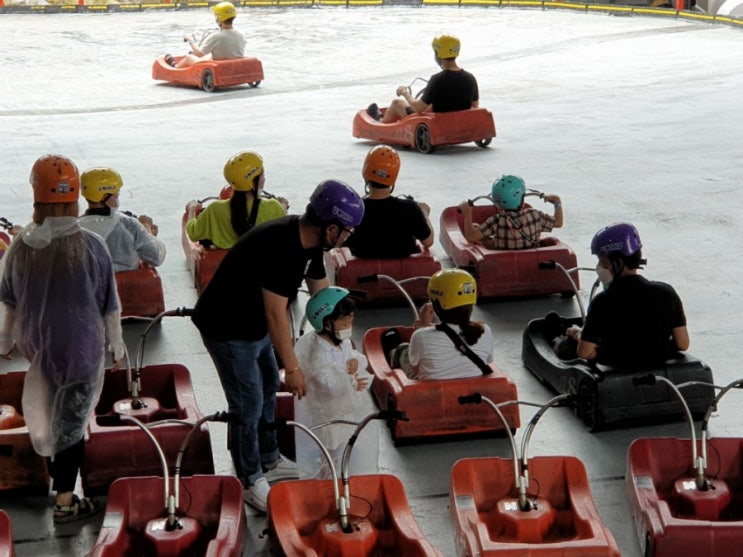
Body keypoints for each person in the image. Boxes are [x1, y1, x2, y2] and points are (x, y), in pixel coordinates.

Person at [191, 179, 364, 512]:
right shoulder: (282, 248)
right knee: (248, 402)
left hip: (253, 324)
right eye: (347, 232)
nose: (346, 239)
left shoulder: (312, 242)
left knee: (269, 383)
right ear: (331, 229)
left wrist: (341, 341)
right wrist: (295, 368)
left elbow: (322, 294)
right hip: (227, 327)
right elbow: (276, 313)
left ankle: (269, 458)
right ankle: (248, 478)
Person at [0, 155, 125, 523]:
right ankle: (66, 501)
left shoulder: (21, 247)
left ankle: (59, 481)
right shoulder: (92, 246)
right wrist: (116, 345)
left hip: (39, 347)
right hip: (83, 349)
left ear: (36, 197)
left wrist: (4, 344)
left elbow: (8, 301)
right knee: (72, 422)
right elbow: (109, 306)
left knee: (54, 414)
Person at [552, 223, 689, 367]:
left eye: (601, 260)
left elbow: (585, 353)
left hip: (615, 368)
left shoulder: (603, 302)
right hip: (657, 363)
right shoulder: (667, 293)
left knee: (565, 345)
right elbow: (682, 343)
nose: (599, 266)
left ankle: (553, 330)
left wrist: (576, 335)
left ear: (617, 263)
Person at [294, 286, 377, 479]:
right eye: (344, 323)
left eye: (351, 321)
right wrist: (352, 380)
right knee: (329, 449)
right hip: (326, 412)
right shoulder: (317, 351)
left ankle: (341, 474)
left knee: (345, 444)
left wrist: (357, 363)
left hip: (345, 407)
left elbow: (353, 358)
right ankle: (328, 477)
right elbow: (327, 384)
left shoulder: (342, 342)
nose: (348, 327)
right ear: (325, 322)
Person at [389, 268, 494, 381]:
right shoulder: (485, 330)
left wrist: (423, 327)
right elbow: (489, 361)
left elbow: (416, 369)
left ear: (437, 307)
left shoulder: (420, 336)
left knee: (401, 350)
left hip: (433, 390)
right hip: (474, 385)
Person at [342, 145, 433, 259]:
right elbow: (428, 242)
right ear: (393, 177)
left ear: (365, 173)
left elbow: (338, 240)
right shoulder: (410, 208)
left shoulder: (356, 209)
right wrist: (423, 213)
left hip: (364, 269)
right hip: (404, 270)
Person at [185, 151, 287, 250]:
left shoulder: (214, 209)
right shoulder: (273, 207)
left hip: (228, 264)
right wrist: (283, 206)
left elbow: (192, 233)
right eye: (262, 176)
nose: (264, 179)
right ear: (253, 182)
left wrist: (191, 210)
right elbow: (286, 231)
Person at [367, 34, 479, 124]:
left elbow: (418, 108)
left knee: (397, 103)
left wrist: (405, 92)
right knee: (431, 104)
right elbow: (474, 106)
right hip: (455, 121)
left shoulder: (437, 79)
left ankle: (380, 121)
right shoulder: (470, 78)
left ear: (438, 53)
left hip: (434, 122)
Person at [78, 167, 167, 273]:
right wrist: (146, 228)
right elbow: (157, 257)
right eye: (116, 195)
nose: (117, 198)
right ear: (104, 197)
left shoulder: (74, 228)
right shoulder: (129, 225)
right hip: (128, 288)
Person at [457, 174, 563, 250]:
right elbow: (558, 222)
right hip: (530, 256)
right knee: (480, 229)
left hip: (503, 258)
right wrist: (557, 202)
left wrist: (467, 213)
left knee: (475, 227)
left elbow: (471, 237)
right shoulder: (535, 215)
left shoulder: (497, 220)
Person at [164, 2, 246, 68]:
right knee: (209, 55)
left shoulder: (216, 36)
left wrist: (190, 40)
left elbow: (199, 53)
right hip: (234, 64)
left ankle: (175, 66)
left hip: (219, 66)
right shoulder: (241, 34)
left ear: (219, 18)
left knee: (189, 57)